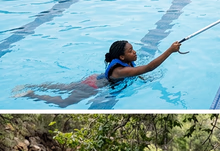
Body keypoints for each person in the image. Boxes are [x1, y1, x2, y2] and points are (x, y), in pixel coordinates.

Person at [15, 39, 181, 107]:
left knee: (64, 87)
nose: (135, 52)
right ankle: (31, 94)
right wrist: (170, 50)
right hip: (92, 86)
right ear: (122, 57)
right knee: (64, 102)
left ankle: (33, 86)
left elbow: (140, 72)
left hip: (94, 79)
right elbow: (149, 67)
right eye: (131, 51)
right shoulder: (120, 70)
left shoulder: (124, 63)